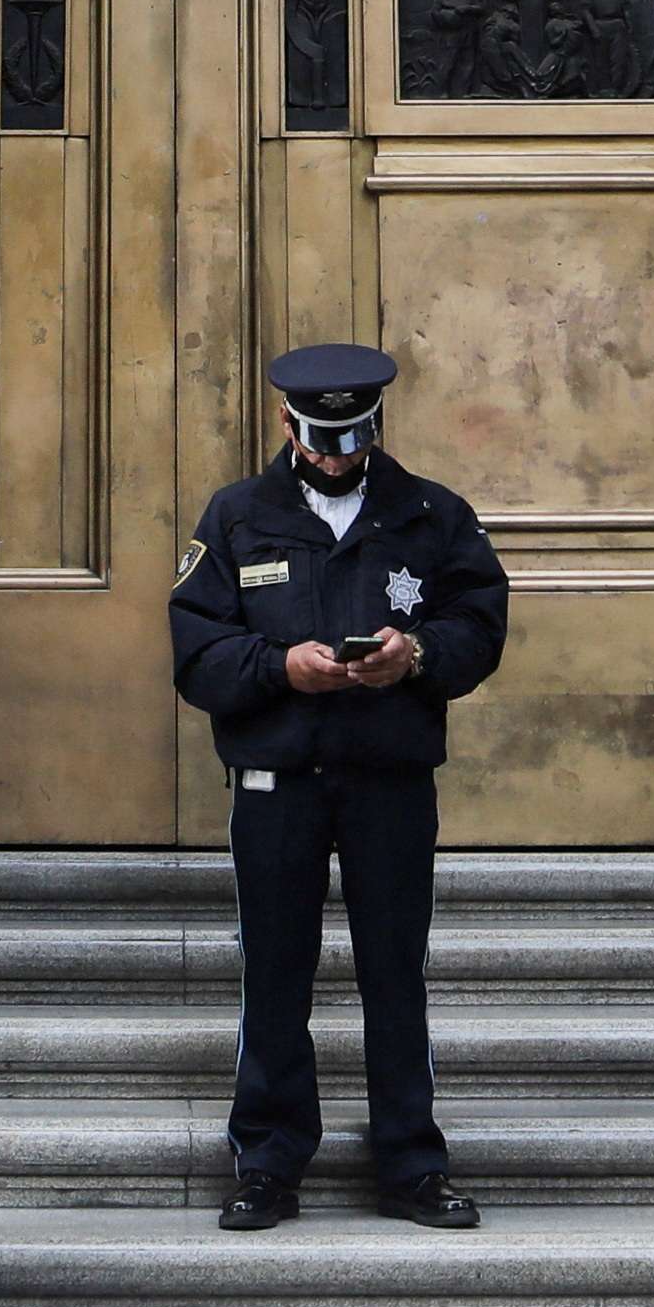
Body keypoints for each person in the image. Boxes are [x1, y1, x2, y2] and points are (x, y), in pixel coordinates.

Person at [165, 339, 513, 1233]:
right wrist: (280, 664)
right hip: (276, 778)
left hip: (388, 780)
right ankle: (269, 1159)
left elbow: (480, 620)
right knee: (275, 971)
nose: (335, 455)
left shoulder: (431, 512)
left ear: (377, 427)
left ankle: (409, 1160)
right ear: (287, 423)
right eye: (320, 439)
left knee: (394, 970)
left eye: (352, 439)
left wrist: (417, 653)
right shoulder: (239, 514)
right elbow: (196, 650)